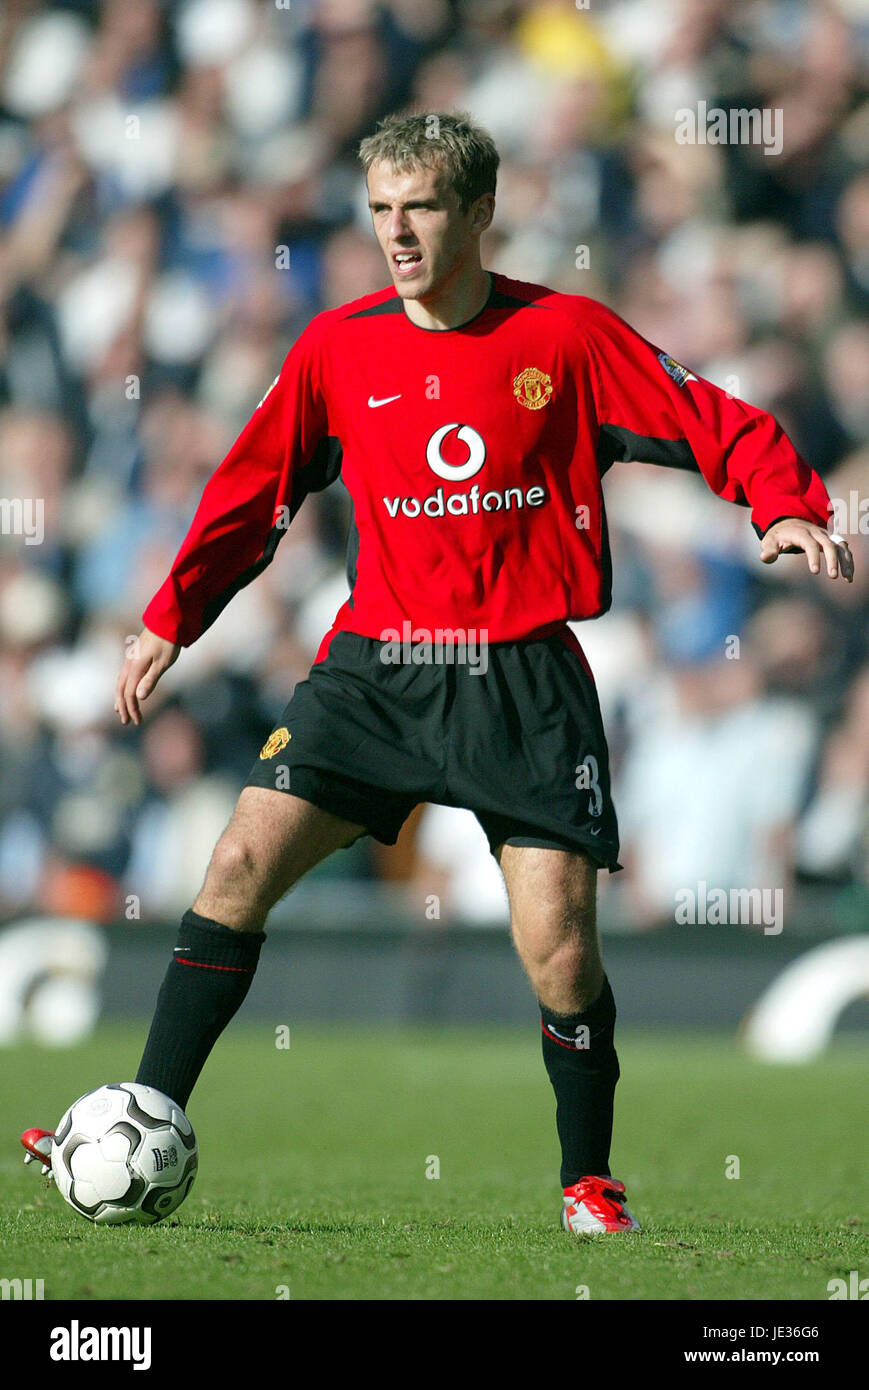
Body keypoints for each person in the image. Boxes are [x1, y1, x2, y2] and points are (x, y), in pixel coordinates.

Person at [58, 111, 852, 1234]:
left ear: (478, 213)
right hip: (376, 669)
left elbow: (710, 419)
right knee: (235, 859)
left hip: (520, 680)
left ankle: (587, 1179)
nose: (396, 231)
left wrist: (785, 505)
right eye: (379, 209)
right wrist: (168, 619)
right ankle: (145, 1105)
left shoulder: (567, 337)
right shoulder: (337, 348)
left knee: (559, 949)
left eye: (420, 207)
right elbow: (253, 491)